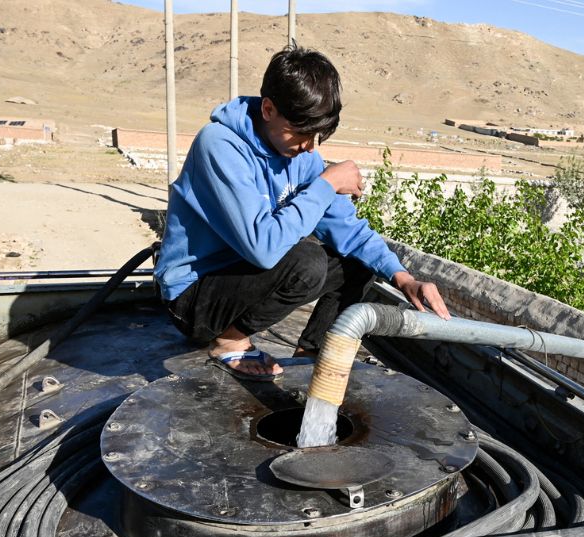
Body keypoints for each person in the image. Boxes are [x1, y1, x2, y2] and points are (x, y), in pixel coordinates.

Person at [155, 46, 449, 381]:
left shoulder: (301, 155)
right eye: (302, 133)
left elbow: (346, 229)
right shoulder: (219, 145)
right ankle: (229, 340)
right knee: (307, 261)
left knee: (356, 263)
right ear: (268, 109)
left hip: (244, 281)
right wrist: (326, 183)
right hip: (195, 298)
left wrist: (404, 278)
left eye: (317, 135)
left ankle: (311, 354)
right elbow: (262, 248)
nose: (310, 146)